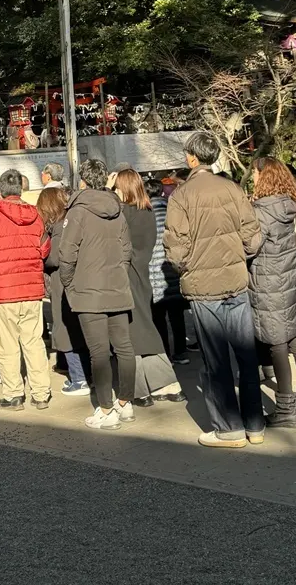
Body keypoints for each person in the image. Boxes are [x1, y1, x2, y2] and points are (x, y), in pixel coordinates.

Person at [164, 130, 266, 448]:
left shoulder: (181, 196)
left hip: (203, 286)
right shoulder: (233, 189)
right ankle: (255, 423)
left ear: (191, 157)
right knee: (246, 355)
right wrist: (239, 255)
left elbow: (175, 247)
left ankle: (229, 427)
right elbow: (253, 236)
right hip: (235, 280)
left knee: (216, 359)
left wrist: (185, 266)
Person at [58, 156, 135, 430]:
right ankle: (125, 402)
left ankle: (105, 409)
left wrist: (69, 283)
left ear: (82, 180)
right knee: (124, 347)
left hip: (88, 290)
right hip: (116, 286)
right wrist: (119, 272)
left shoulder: (77, 212)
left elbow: (66, 253)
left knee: (99, 353)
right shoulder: (117, 210)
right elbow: (126, 250)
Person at [0, 168, 52, 410]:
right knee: (34, 342)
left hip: (2, 291)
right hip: (31, 289)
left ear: (1, 190)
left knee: (6, 345)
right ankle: (41, 393)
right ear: (21, 189)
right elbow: (44, 249)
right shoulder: (36, 216)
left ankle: (14, 394)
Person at [250, 160, 296, 427]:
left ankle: (286, 408)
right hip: (289, 278)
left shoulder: (262, 210)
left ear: (264, 176)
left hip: (269, 281)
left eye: (255, 173)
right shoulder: (287, 205)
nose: (252, 177)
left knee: (277, 343)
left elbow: (251, 246)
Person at [112, 168, 186, 406]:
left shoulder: (123, 214)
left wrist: (106, 190)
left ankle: (140, 389)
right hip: (142, 276)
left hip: (126, 277)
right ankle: (164, 384)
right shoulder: (146, 211)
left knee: (131, 333)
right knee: (144, 328)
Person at [39, 184, 89, 395]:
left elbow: (54, 258)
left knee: (66, 330)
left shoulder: (59, 228)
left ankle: (79, 379)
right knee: (78, 330)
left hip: (63, 284)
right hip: (78, 284)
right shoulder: (73, 221)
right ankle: (85, 376)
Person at [145, 176, 189, 364]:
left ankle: (165, 353)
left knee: (159, 318)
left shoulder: (146, 216)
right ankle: (181, 352)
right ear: (162, 192)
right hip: (172, 269)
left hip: (154, 274)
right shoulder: (172, 212)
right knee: (177, 316)